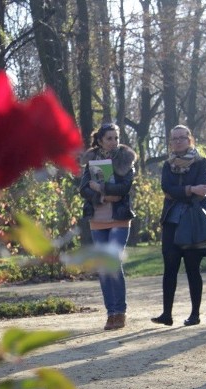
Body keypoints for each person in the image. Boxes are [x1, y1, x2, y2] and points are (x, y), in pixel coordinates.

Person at [79, 122, 137, 330]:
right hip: (98, 218)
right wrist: (103, 195)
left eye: (116, 138)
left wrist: (102, 187)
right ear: (100, 140)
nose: (113, 142)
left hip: (119, 218)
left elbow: (124, 188)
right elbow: (83, 189)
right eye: (109, 138)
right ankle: (110, 313)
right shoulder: (91, 160)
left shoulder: (126, 159)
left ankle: (120, 312)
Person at [152, 125, 206, 327]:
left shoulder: (201, 162)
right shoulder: (168, 165)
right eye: (174, 138)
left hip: (193, 221)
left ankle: (195, 314)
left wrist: (183, 191)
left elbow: (202, 189)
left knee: (193, 268)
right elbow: (166, 188)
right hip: (171, 221)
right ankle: (166, 314)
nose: (177, 141)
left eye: (181, 138)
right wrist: (190, 189)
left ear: (190, 139)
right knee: (170, 268)